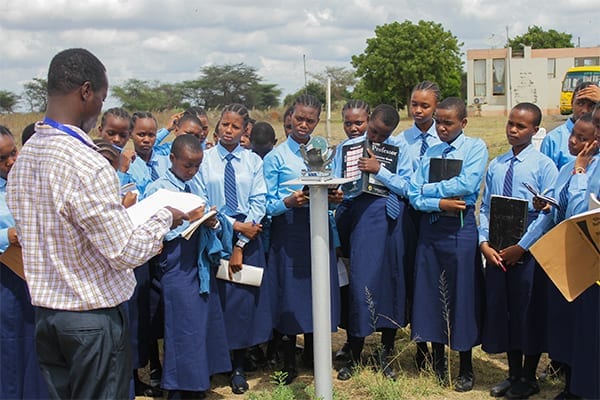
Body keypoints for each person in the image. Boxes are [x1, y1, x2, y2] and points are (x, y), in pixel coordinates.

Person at [6, 48, 187, 399]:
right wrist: (165, 216)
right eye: (102, 99)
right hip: (91, 322)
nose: (100, 108)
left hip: (48, 317)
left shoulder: (26, 156)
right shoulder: (87, 163)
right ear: (86, 92)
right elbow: (123, 251)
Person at [502, 112, 599, 400]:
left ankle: (587, 388)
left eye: (582, 138)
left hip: (591, 263)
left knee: (587, 329)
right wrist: (524, 244)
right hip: (566, 258)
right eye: (573, 135)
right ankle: (571, 386)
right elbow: (554, 214)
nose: (573, 141)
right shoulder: (566, 167)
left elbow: (582, 212)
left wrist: (580, 171)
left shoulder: (585, 169)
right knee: (566, 326)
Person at [478, 103, 558, 398]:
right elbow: (485, 207)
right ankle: (511, 374)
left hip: (527, 253)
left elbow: (548, 214)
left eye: (521, 126)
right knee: (505, 312)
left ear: (535, 130)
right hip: (498, 251)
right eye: (510, 124)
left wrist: (521, 247)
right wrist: (484, 242)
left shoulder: (544, 166)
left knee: (527, 312)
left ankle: (529, 376)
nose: (513, 130)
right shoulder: (497, 165)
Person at [408, 97, 488, 392]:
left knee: (461, 297)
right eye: (438, 122)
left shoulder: (475, 148)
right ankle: (438, 361)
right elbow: (413, 195)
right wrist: (438, 201)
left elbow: (467, 185)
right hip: (431, 231)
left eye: (447, 123)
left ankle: (465, 365)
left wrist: (426, 191)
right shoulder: (432, 151)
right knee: (431, 294)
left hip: (459, 231)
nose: (440, 128)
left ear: (463, 123)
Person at [263, 94, 342, 384]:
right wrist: (287, 201)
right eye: (299, 119)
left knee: (316, 292)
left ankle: (313, 354)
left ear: (317, 121)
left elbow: (328, 190)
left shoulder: (322, 152)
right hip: (289, 230)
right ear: (290, 118)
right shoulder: (276, 158)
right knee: (290, 296)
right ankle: (288, 360)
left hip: (318, 229)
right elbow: (265, 203)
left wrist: (335, 198)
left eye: (310, 120)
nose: (304, 125)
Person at [145, 134, 231, 400]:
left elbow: (212, 221)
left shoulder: (197, 185)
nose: (191, 171)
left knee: (202, 326)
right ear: (172, 159)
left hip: (200, 266)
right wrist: (185, 221)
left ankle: (198, 384)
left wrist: (212, 222)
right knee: (183, 328)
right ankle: (179, 389)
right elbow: (150, 229)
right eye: (186, 166)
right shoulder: (158, 190)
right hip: (176, 266)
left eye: (196, 166)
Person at [332, 104, 412, 381]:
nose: (376, 137)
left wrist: (380, 171)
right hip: (360, 218)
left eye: (382, 134)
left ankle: (385, 352)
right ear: (369, 122)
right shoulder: (349, 148)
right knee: (360, 285)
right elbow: (338, 183)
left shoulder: (401, 150)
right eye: (373, 131)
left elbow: (409, 187)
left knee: (389, 284)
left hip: (389, 219)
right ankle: (355, 352)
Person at [195, 104, 271, 395]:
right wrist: (233, 229)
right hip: (213, 231)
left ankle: (238, 366)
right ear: (217, 127)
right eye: (225, 125)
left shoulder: (252, 161)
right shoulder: (205, 159)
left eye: (235, 127)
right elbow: (202, 201)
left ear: (244, 131)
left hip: (249, 235)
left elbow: (259, 200)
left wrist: (241, 241)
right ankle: (217, 362)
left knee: (241, 304)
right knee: (216, 302)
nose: (229, 130)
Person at [394, 81, 442, 369]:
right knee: (412, 278)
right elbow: (398, 182)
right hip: (409, 216)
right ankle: (420, 343)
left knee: (433, 282)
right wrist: (413, 191)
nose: (418, 110)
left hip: (438, 217)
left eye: (425, 105)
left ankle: (437, 345)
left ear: (436, 107)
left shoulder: (446, 140)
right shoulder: (401, 141)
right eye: (414, 104)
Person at [0, 125, 48, 400]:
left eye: (13, 153)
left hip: (35, 280)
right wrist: (7, 235)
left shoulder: (28, 181)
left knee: (36, 349)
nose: (11, 162)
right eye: (2, 158)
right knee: (10, 350)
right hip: (7, 283)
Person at [331, 99, 371, 362]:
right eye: (348, 123)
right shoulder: (340, 149)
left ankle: (366, 338)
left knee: (363, 279)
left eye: (359, 123)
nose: (353, 128)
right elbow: (335, 179)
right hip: (345, 213)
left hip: (369, 215)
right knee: (346, 279)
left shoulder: (375, 147)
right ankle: (350, 338)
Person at [541, 82, 598, 169]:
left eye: (592, 106)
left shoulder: (598, 136)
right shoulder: (554, 139)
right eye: (580, 104)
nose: (585, 110)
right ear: (572, 103)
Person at [119, 111, 169, 195]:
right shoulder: (127, 165)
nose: (146, 140)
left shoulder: (167, 163)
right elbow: (120, 192)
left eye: (151, 135)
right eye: (141, 135)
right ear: (130, 134)